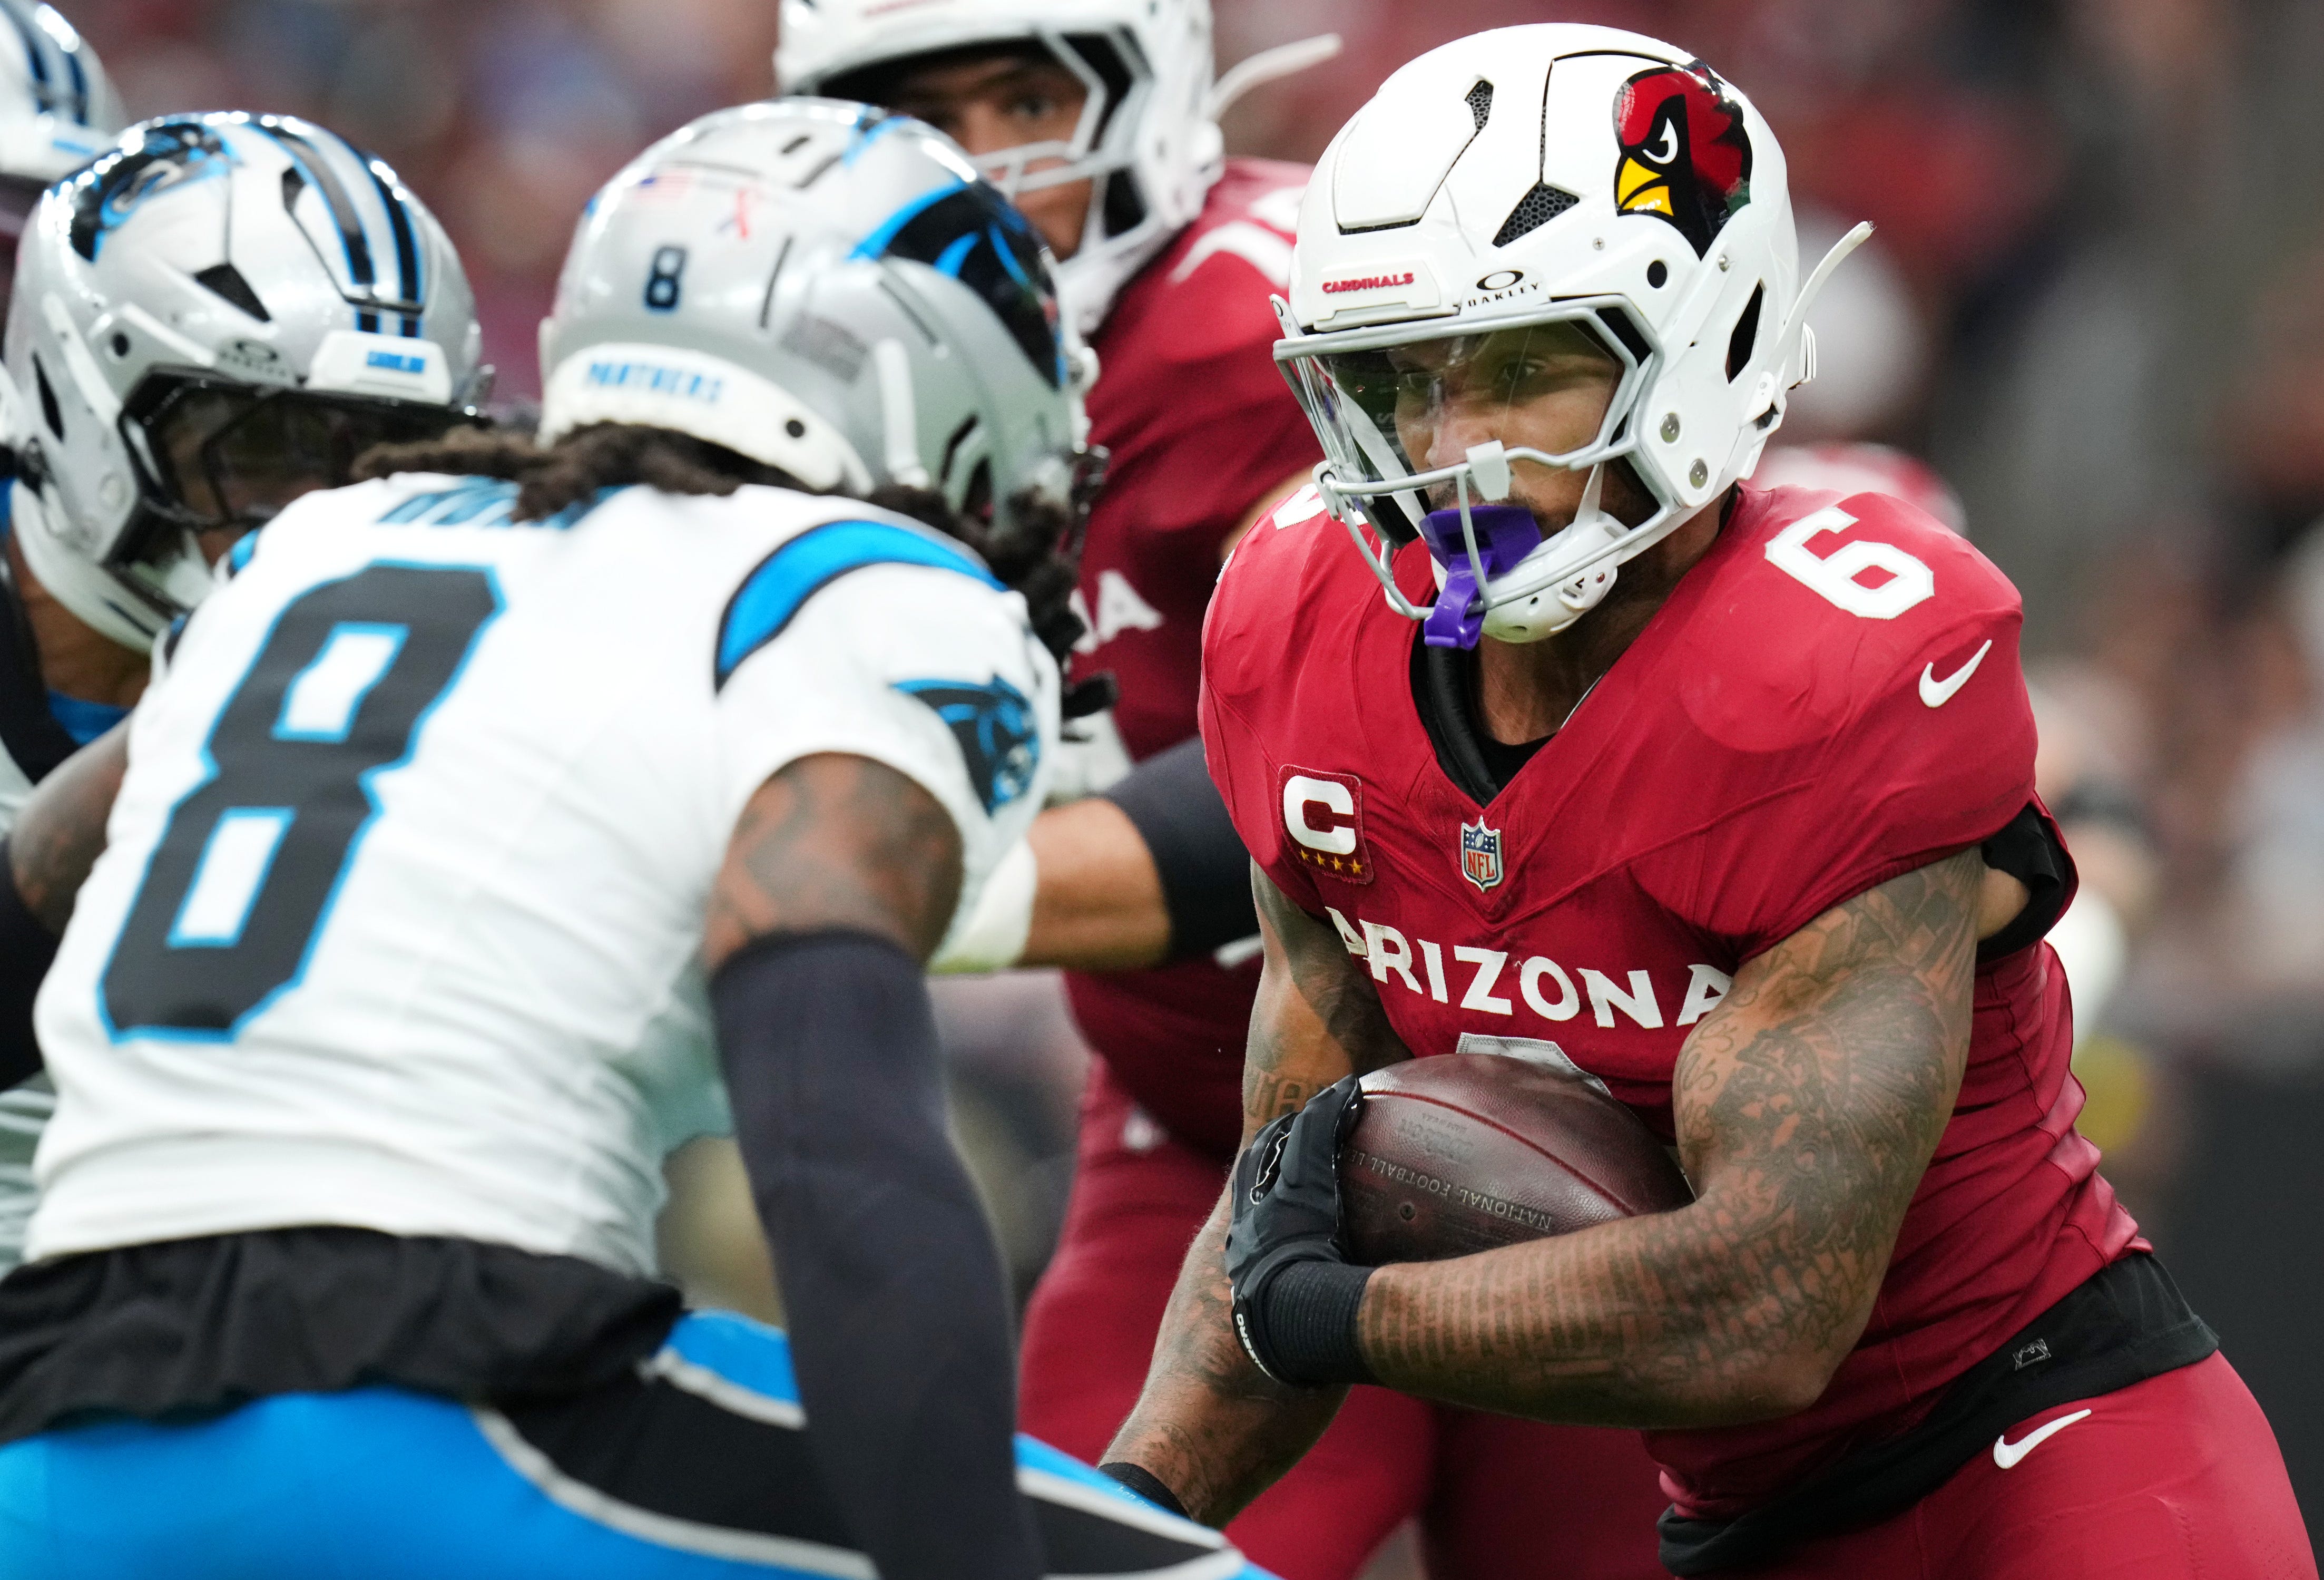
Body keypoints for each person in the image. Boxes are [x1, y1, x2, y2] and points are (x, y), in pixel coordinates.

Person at [1106, 24, 2317, 1580]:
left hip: (2049, 1453)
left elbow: (1763, 1310)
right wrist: (1118, 1522)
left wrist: (1339, 1311)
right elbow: (1281, 1211)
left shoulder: (1828, 665)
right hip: (1733, 1521)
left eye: (1525, 370)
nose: (1446, 451)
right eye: (1400, 380)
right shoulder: (1292, 636)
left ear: (1702, 337)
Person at [0, 99, 1259, 1579]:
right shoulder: (850, 586)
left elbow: (45, 885)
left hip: (56, 1424)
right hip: (427, 1391)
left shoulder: (320, 553)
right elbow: (838, 1131)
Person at [776, 8, 1676, 1575]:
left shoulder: (1274, 322)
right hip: (1203, 1132)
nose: (981, 163)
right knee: (1063, 1552)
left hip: (1550, 1116)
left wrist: (917, 897)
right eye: (922, 112)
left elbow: (1335, 754)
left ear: (1147, 88)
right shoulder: (840, 375)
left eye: (1020, 95)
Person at [0, 104, 487, 1278]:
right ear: (81, 405)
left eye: (378, 457)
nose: (325, 510)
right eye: (261, 448)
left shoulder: (454, 657)